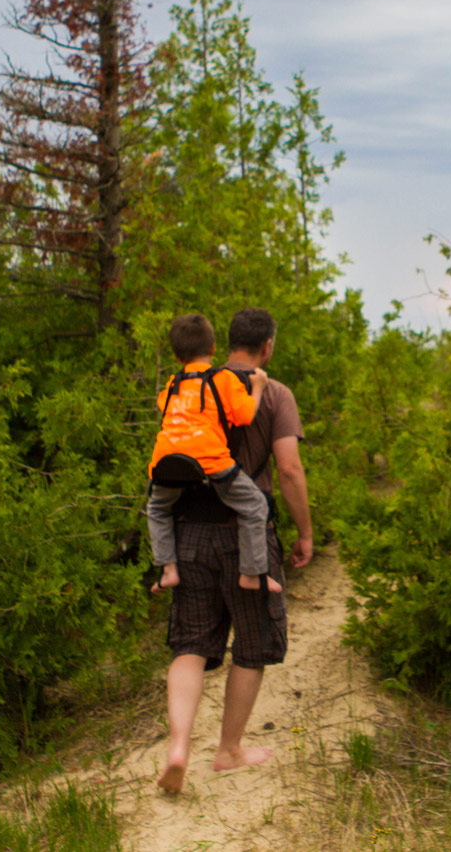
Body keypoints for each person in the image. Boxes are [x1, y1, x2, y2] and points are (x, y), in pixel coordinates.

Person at [154, 307, 313, 794]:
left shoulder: (187, 387)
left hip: (191, 532)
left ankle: (178, 745)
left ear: (227, 343)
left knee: (191, 645)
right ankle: (228, 750)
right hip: (248, 535)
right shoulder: (275, 393)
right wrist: (305, 532)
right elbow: (288, 469)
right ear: (266, 347)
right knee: (251, 642)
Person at [146, 313, 278, 593]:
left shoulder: (172, 385)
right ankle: (252, 573)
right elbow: (245, 416)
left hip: (169, 461)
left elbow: (163, 407)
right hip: (210, 460)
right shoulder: (224, 379)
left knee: (157, 508)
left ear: (176, 353)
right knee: (254, 505)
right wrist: (258, 388)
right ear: (214, 347)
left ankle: (168, 570)